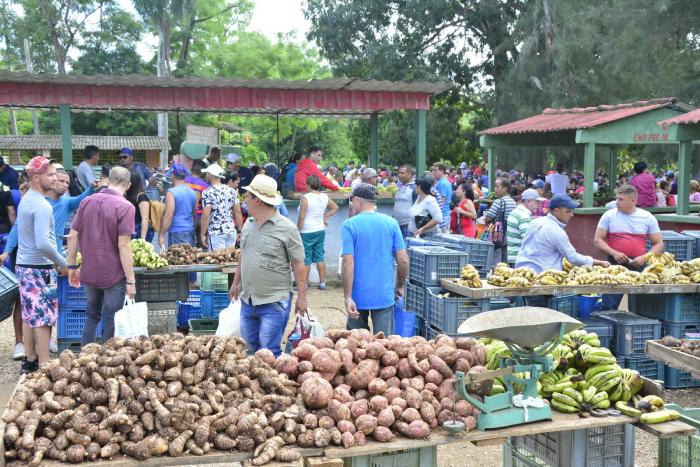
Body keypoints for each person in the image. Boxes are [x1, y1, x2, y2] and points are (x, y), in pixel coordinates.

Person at [229, 174, 307, 357]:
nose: (245, 199)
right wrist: (235, 282)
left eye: (248, 195)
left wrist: (302, 297)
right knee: (249, 351)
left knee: (269, 352)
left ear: (258, 200)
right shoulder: (248, 224)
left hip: (274, 301)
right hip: (248, 300)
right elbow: (244, 254)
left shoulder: (287, 228)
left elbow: (299, 264)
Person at [67, 166, 136, 346]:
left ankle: (84, 359)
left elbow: (73, 235)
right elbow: (124, 245)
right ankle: (107, 360)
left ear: (108, 180)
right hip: (113, 275)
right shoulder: (126, 207)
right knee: (111, 318)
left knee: (92, 316)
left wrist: (72, 267)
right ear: (128, 185)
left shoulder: (87, 201)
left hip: (89, 271)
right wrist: (130, 280)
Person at [15, 157, 69, 372]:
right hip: (39, 268)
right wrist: (65, 264)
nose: (55, 178)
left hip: (25, 265)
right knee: (44, 319)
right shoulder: (41, 205)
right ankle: (45, 365)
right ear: (37, 178)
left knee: (29, 315)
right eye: (50, 174)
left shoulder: (27, 198)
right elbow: (43, 243)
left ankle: (30, 360)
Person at [516, 193, 610, 306]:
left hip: (523, 275)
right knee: (541, 317)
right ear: (556, 211)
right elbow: (573, 258)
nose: (572, 215)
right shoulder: (557, 232)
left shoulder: (536, 222)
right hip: (541, 281)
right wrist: (598, 262)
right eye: (568, 211)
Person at [341, 183, 408, 335]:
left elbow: (347, 262)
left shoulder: (349, 225)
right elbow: (403, 260)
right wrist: (399, 285)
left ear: (357, 200)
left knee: (357, 346)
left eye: (351, 201)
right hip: (384, 294)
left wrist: (348, 297)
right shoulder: (391, 223)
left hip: (358, 295)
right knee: (385, 348)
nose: (351, 204)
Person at [594, 185, 663, 310]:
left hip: (639, 264)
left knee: (641, 306)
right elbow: (597, 240)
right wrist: (614, 253)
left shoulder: (647, 217)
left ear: (633, 201)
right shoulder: (609, 215)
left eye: (621, 200)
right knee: (609, 306)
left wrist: (644, 257)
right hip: (614, 264)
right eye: (617, 199)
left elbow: (659, 244)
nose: (617, 202)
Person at [296, 175, 339, 290]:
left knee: (307, 258)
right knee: (320, 256)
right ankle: (322, 283)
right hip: (320, 229)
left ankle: (304, 284)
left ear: (309, 185)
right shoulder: (324, 196)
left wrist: (297, 230)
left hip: (306, 231)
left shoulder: (306, 198)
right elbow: (335, 207)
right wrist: (325, 216)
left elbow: (302, 216)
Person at [201, 164, 238, 251]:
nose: (206, 175)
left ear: (210, 174)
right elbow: (238, 212)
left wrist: (202, 234)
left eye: (207, 173)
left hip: (216, 233)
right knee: (229, 260)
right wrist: (239, 230)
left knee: (217, 261)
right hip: (231, 231)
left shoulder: (207, 192)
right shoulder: (232, 191)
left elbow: (206, 215)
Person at [159, 164, 197, 248]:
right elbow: (194, 214)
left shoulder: (171, 192)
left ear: (173, 175)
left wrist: (161, 235)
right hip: (190, 230)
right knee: (189, 259)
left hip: (177, 232)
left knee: (177, 259)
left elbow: (169, 215)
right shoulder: (192, 192)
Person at [506, 188, 545, 265]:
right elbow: (528, 239)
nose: (538, 206)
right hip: (521, 258)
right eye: (537, 202)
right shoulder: (523, 215)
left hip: (513, 256)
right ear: (528, 201)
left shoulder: (516, 211)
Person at [484, 177, 517, 267]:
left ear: (505, 189)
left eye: (497, 187)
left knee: (495, 260)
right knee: (505, 261)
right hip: (508, 233)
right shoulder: (513, 201)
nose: (495, 189)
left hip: (497, 233)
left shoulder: (498, 202)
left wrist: (486, 219)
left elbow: (488, 218)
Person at [184, 159, 210, 247]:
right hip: (200, 218)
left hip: (186, 217)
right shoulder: (205, 186)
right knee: (201, 246)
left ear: (191, 168)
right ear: (202, 172)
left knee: (187, 247)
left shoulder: (184, 181)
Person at [125, 172, 153, 242]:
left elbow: (145, 218)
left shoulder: (141, 196)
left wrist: (143, 238)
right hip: (130, 230)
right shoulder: (127, 195)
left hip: (140, 231)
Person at [393, 164, 417, 237]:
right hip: (396, 225)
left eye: (402, 173)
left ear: (410, 174)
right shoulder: (399, 187)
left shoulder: (415, 188)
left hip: (408, 227)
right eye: (399, 173)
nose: (399, 175)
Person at [431, 163, 452, 231]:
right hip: (446, 214)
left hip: (442, 216)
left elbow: (441, 202)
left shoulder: (442, 183)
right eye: (432, 170)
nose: (433, 172)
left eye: (435, 170)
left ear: (442, 171)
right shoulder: (445, 182)